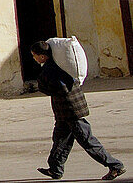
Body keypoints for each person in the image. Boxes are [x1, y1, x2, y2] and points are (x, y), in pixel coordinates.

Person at [32, 41, 125, 181]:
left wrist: (43, 86)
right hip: (65, 111)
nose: (34, 58)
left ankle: (115, 166)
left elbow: (59, 88)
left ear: (43, 57)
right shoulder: (59, 65)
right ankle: (55, 169)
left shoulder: (51, 69)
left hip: (71, 111)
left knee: (87, 141)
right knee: (60, 140)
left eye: (35, 56)